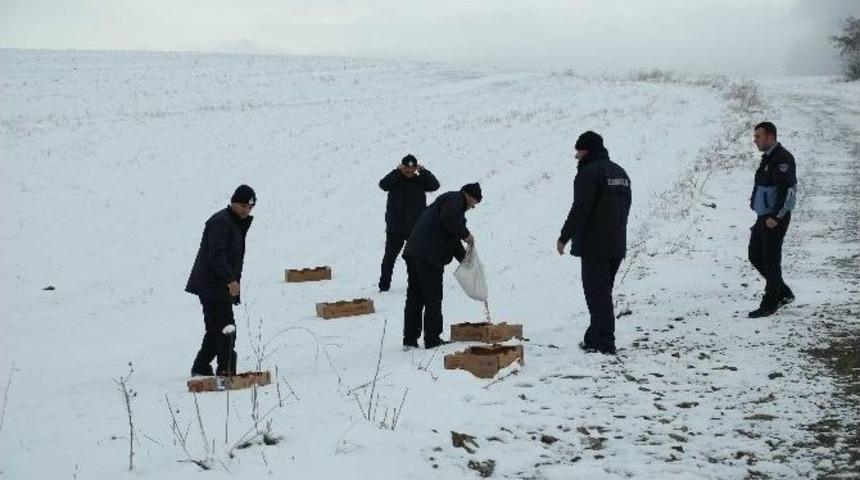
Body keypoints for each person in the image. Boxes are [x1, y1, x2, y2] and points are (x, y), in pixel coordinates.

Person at [557, 131, 631, 355]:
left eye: (578, 151)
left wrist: (564, 237)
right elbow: (626, 207)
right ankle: (594, 337)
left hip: (595, 245)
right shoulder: (620, 173)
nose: (576, 156)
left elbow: (580, 208)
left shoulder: (589, 173)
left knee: (597, 295)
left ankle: (603, 343)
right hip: (616, 243)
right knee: (602, 294)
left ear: (587, 150)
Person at [186, 185, 256, 376]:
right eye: (243, 206)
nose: (247, 210)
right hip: (213, 285)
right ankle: (226, 371)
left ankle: (201, 367)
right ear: (234, 202)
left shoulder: (234, 222)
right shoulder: (221, 222)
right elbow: (216, 255)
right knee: (226, 328)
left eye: (250, 207)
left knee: (215, 329)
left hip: (216, 285)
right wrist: (230, 280)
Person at [401, 183, 481, 349]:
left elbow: (453, 241)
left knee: (415, 297)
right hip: (428, 255)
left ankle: (410, 340)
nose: (473, 207)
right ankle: (432, 339)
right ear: (468, 195)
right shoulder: (455, 199)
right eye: (475, 202)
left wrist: (468, 263)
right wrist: (466, 235)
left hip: (415, 252)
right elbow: (448, 220)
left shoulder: (451, 206)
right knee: (433, 298)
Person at [748, 121, 797, 318]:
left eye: (758, 136)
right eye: (755, 137)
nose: (755, 140)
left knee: (771, 260)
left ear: (770, 137)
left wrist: (776, 217)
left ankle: (769, 304)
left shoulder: (783, 158)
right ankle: (783, 292)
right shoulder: (768, 158)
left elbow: (787, 191)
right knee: (755, 255)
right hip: (764, 216)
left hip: (774, 218)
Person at [378, 154, 440, 292]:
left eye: (413, 169)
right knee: (389, 258)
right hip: (395, 228)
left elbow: (435, 185)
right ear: (402, 167)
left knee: (417, 258)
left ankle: (418, 284)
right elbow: (383, 185)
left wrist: (423, 171)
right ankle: (384, 286)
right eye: (407, 169)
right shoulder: (395, 179)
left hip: (416, 229)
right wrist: (396, 171)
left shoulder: (420, 180)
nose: (410, 172)